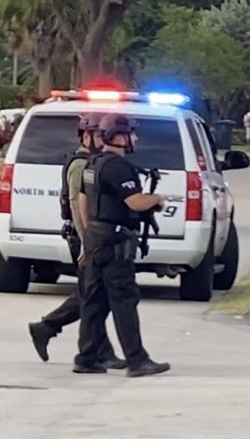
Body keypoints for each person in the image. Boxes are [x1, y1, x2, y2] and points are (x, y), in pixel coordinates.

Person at [27, 113, 126, 369]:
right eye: (94, 133)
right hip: (83, 238)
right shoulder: (80, 164)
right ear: (84, 135)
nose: (99, 138)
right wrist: (86, 243)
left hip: (91, 239)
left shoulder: (93, 162)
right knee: (92, 296)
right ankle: (83, 345)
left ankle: (52, 330)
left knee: (91, 295)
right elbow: (75, 203)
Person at [75, 113, 170, 377]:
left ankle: (87, 357)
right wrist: (157, 199)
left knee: (94, 301)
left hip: (95, 238)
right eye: (131, 133)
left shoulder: (93, 164)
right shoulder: (119, 167)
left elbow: (83, 200)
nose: (135, 138)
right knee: (124, 300)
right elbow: (134, 202)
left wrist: (88, 234)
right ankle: (137, 360)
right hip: (115, 241)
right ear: (118, 136)